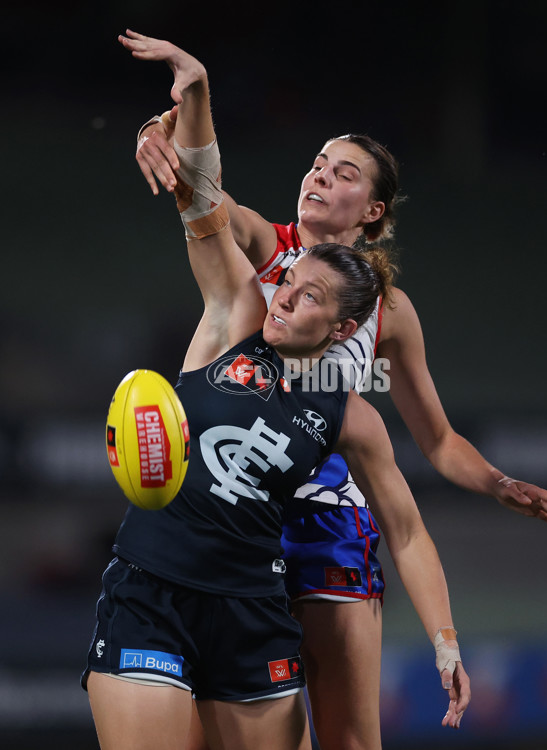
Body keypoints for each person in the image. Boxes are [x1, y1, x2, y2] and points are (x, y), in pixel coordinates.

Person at [134, 35, 547, 750]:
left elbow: (436, 441)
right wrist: (158, 128)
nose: (318, 178)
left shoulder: (389, 311)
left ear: (373, 211)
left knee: (350, 741)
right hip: (237, 516)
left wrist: (496, 482)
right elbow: (201, 193)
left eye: (342, 174)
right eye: (315, 165)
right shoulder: (260, 242)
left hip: (328, 525)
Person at [83, 30, 471, 750]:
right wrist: (194, 94)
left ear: (345, 325)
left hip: (253, 608)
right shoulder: (236, 313)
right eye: (288, 282)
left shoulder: (350, 417)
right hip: (152, 587)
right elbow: (199, 193)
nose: (284, 297)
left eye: (309, 295)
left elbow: (408, 530)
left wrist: (446, 640)